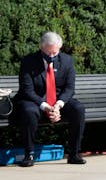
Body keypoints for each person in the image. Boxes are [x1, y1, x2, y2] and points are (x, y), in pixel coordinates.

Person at [13, 31, 86, 167]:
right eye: (48, 53)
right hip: (35, 101)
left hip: (57, 102)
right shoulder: (28, 62)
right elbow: (27, 90)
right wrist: (45, 106)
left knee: (78, 109)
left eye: (55, 53)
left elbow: (70, 88)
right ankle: (29, 154)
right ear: (41, 48)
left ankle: (74, 153)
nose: (51, 56)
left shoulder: (67, 60)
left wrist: (58, 105)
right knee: (28, 111)